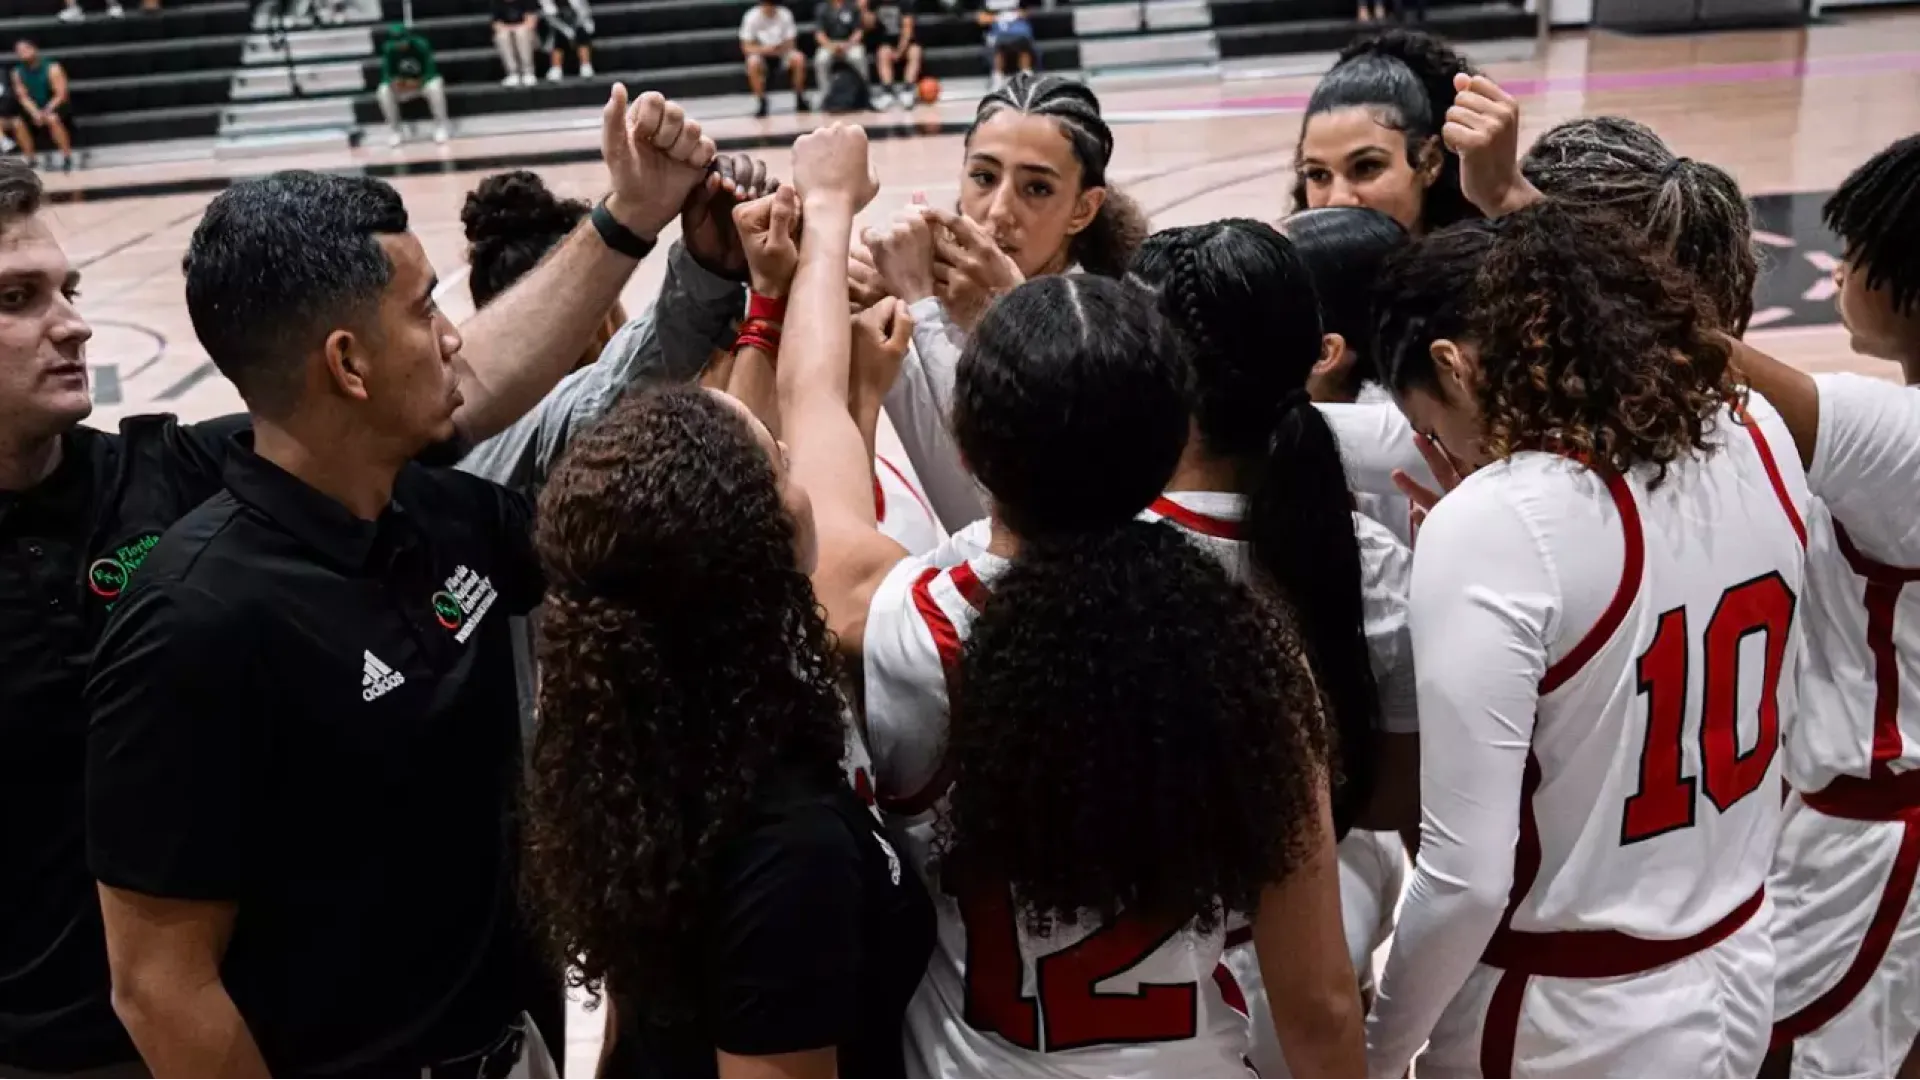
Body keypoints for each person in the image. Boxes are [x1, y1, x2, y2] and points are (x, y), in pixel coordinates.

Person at [59, 93, 731, 1080]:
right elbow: (159, 986)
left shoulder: (446, 515)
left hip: (514, 1049)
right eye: (425, 311)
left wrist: (724, 286)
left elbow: (619, 492)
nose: (455, 337)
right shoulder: (192, 620)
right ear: (348, 363)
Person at [778, 122, 1366, 1080]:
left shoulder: (913, 627)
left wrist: (829, 204)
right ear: (1172, 435)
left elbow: (809, 405)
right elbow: (1322, 1006)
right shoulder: (1253, 644)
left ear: (967, 449)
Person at [1362, 203, 1809, 1080]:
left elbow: (1466, 880)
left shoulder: (1496, 523)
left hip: (1562, 1020)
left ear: (1454, 367)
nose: (1442, 451)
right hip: (1741, 965)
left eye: (1431, 424)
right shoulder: (1755, 427)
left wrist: (1376, 1049)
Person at [521, 377, 937, 1080]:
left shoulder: (633, 738)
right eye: (777, 463)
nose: (795, 468)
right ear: (752, 549)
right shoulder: (788, 847)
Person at [1129, 221, 1416, 1080]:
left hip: (1166, 971)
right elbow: (1402, 794)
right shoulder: (1371, 557)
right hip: (1334, 932)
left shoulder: (1100, 559)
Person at [1731, 134, 1920, 1080]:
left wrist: (1523, 206)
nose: (1837, 269)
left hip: (1875, 839)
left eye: (1858, 250)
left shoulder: (1902, 439)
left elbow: (1700, 359)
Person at [861, 72, 1150, 532]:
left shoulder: (1107, 329)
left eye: (1036, 188)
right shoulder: (912, 291)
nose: (998, 211)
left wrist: (941, 308)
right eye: (984, 177)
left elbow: (1002, 509)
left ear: (1084, 208)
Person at [1292, 30, 1475, 233]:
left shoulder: (1486, 261)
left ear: (1429, 162)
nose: (1338, 199)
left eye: (1366, 167)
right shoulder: (1288, 263)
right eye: (1317, 174)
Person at [375, 22, 451, 147]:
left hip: (422, 83)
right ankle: (395, 131)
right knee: (383, 91)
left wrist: (417, 82)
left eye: (403, 41)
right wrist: (395, 83)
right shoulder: (388, 50)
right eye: (397, 43)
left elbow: (431, 72)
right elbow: (386, 76)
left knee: (435, 86)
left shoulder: (421, 45)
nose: (401, 45)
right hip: (403, 86)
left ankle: (441, 126)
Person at [9, 41, 74, 172]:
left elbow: (61, 94)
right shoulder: (16, 72)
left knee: (52, 119)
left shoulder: (52, 67)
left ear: (34, 49)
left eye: (26, 49)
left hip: (55, 105)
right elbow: (23, 97)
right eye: (19, 51)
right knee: (17, 123)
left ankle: (66, 156)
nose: (23, 53)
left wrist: (46, 111)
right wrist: (35, 113)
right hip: (34, 108)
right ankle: (31, 159)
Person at [740, 0, 809, 118]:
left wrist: (778, 49)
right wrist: (765, 50)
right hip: (762, 54)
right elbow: (746, 47)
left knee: (799, 58)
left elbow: (791, 43)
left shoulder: (785, 14)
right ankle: (761, 102)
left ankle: (800, 97)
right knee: (752, 62)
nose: (770, 8)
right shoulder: (751, 16)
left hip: (781, 53)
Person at [862, 0, 922, 108]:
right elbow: (868, 26)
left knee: (915, 52)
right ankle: (887, 91)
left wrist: (900, 51)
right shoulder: (875, 3)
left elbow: (907, 29)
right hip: (886, 41)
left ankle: (907, 90)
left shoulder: (905, 3)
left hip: (905, 41)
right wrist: (864, 9)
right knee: (882, 53)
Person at [813, 0, 867, 104]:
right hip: (829, 44)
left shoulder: (852, 7)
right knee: (821, 60)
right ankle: (825, 94)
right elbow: (819, 34)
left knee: (858, 57)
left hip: (849, 43)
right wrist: (831, 46)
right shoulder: (821, 8)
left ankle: (863, 92)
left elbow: (858, 31)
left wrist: (848, 45)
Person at [977, 0, 1035, 90]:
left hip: (1017, 29)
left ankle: (1026, 76)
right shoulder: (987, 3)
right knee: (998, 45)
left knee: (1023, 41)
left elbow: (1026, 12)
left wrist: (1014, 16)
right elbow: (981, 19)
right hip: (995, 31)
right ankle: (997, 78)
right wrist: (998, 18)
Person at [539, 0, 596, 79]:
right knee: (557, 35)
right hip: (556, 25)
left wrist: (576, 28)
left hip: (579, 22)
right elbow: (550, 18)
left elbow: (584, 11)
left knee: (581, 32)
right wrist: (566, 31)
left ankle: (585, 65)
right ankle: (556, 67)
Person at [493, 0, 540, 87]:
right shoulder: (497, 3)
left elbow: (531, 23)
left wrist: (513, 28)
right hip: (509, 33)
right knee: (501, 36)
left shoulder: (528, 2)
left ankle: (528, 72)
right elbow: (496, 25)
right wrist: (511, 29)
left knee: (521, 33)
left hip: (529, 35)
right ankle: (512, 73)